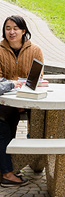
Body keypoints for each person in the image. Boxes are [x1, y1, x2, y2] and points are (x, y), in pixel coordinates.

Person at [0, 15, 43, 187]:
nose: (11, 32)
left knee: (43, 118)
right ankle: (7, 172)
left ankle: (33, 159)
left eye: (15, 28)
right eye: (8, 28)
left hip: (28, 98)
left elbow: (38, 77)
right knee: (4, 121)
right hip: (4, 101)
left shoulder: (35, 50)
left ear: (23, 31)